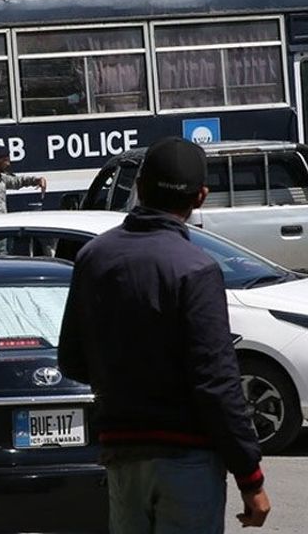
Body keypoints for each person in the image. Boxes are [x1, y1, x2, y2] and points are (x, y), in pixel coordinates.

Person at [58, 136, 270, 533]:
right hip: (187, 459)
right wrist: (250, 477)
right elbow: (216, 382)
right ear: (201, 197)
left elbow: (71, 360)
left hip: (122, 454)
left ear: (138, 187)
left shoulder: (92, 258)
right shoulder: (196, 268)